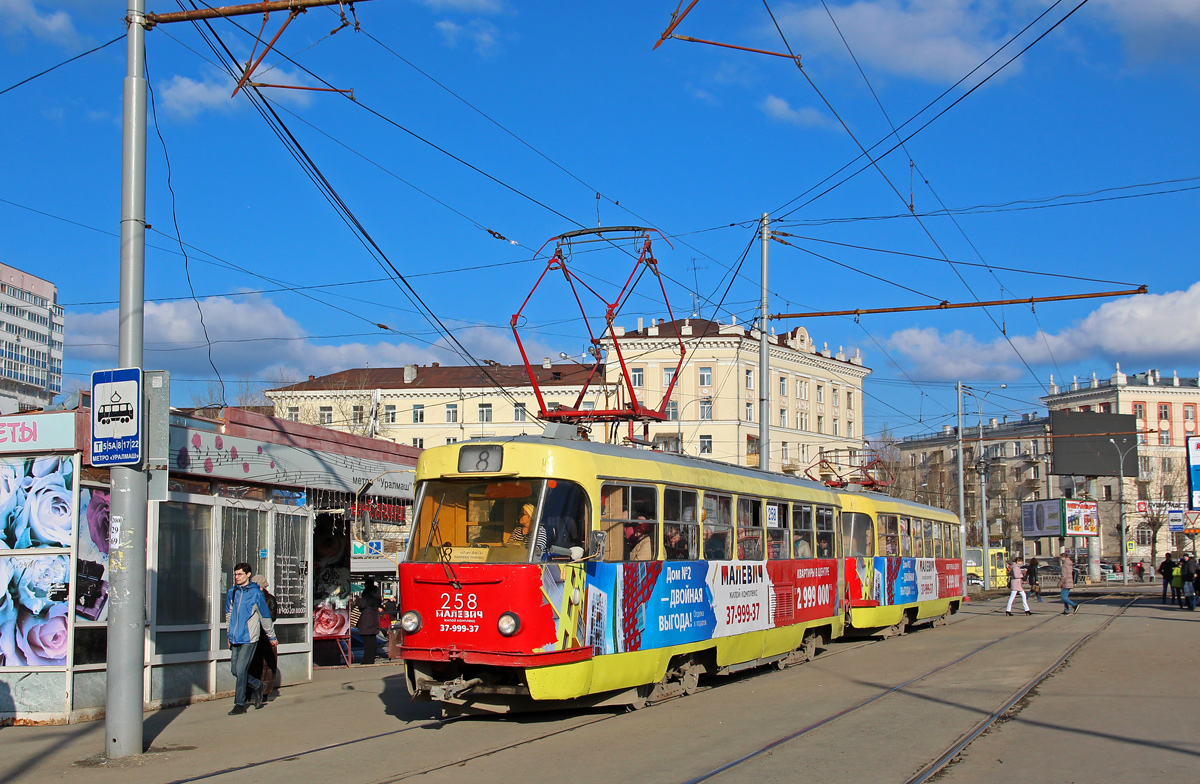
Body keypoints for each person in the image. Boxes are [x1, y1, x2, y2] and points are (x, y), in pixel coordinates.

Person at [225, 562, 277, 714]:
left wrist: (271, 635)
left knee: (241, 670)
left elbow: (265, 616)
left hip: (249, 637)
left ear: (248, 575)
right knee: (235, 670)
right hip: (235, 637)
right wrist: (228, 634)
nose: (237, 577)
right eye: (235, 574)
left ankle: (240, 704)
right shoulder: (232, 592)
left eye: (240, 574)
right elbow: (229, 614)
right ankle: (257, 684)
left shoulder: (256, 593)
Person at [249, 574, 279, 702]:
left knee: (266, 665)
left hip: (265, 636)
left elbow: (272, 616)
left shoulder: (269, 599)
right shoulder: (250, 597)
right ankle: (252, 690)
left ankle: (265, 692)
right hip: (252, 634)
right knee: (253, 663)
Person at [355, 578, 384, 664]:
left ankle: (367, 659)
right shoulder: (377, 593)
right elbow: (379, 603)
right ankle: (371, 659)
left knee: (367, 640)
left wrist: (360, 605)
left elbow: (362, 605)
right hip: (374, 617)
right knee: (373, 639)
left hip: (367, 617)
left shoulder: (366, 593)